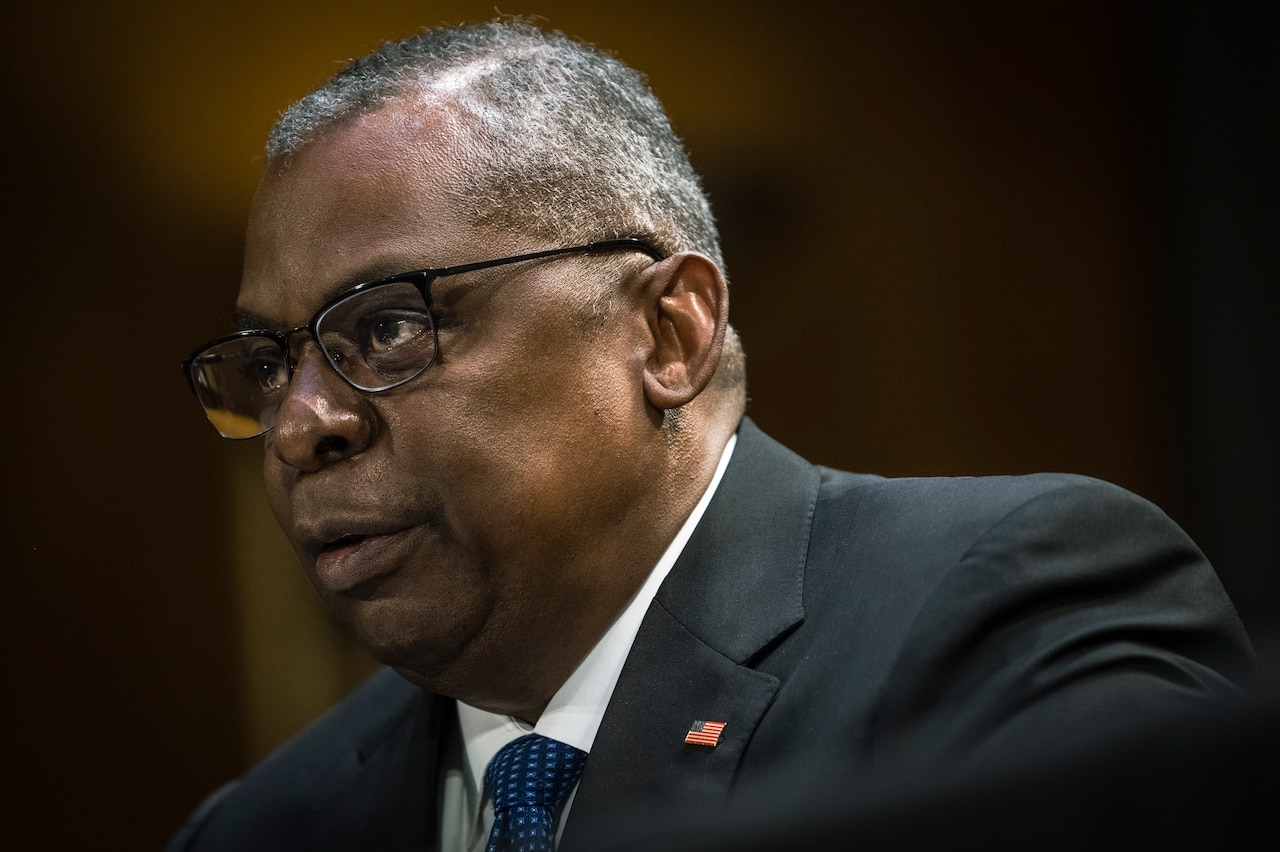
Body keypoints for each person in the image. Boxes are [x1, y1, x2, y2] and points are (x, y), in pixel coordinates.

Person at [168, 18, 1254, 852]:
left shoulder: (1002, 618)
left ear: (666, 331)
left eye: (389, 325)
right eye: (269, 366)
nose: (301, 422)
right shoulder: (263, 826)